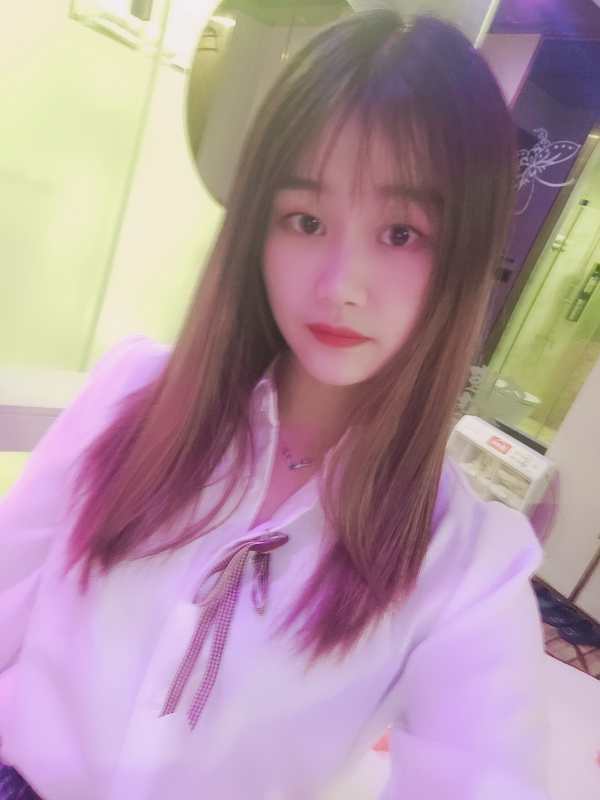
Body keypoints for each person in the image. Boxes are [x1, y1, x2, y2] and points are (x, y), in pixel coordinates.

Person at [0, 10, 550, 800]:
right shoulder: (131, 397)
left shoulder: (463, 563)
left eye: (401, 233)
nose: (339, 284)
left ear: (462, 256)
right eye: (307, 220)